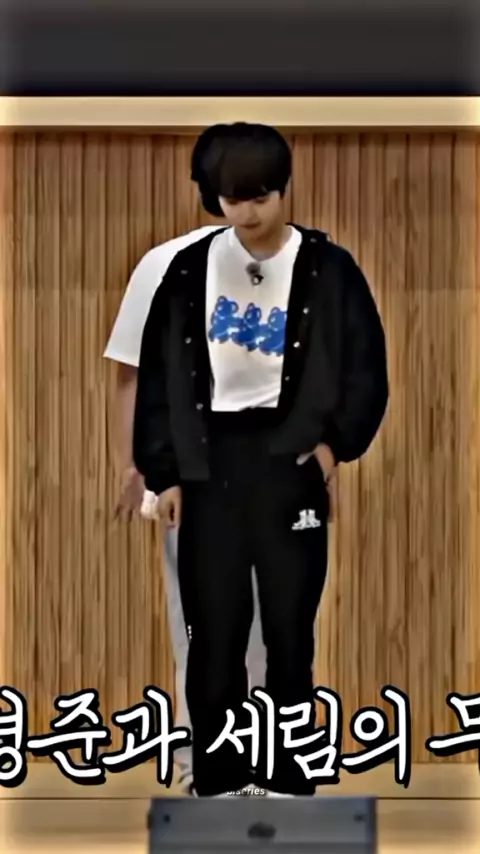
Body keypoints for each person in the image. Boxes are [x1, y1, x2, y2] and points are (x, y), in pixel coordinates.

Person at [133, 122, 389, 798]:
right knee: (214, 629)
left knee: (288, 629)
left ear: (284, 191)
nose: (246, 214)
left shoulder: (329, 269)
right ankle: (218, 780)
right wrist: (164, 473)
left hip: (289, 460)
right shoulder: (189, 269)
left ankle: (286, 776)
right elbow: (159, 377)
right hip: (208, 464)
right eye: (231, 200)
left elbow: (367, 368)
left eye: (260, 198)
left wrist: (333, 447)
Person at [103, 224, 268, 795]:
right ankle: (206, 767)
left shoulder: (299, 260)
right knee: (201, 629)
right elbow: (131, 372)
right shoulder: (165, 263)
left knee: (273, 630)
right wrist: (133, 467)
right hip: (194, 476)